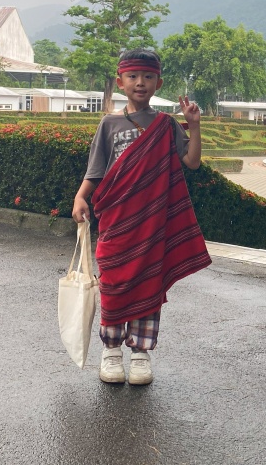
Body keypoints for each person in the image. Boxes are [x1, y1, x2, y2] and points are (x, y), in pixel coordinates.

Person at [72, 49, 211, 386]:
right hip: (117, 223)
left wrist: (193, 125)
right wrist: (80, 197)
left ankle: (141, 355)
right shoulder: (109, 124)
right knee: (115, 284)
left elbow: (191, 162)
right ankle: (111, 352)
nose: (140, 83)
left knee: (149, 281)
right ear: (120, 82)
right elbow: (97, 170)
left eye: (148, 77)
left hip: (153, 223)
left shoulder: (165, 125)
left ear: (157, 82)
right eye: (133, 76)